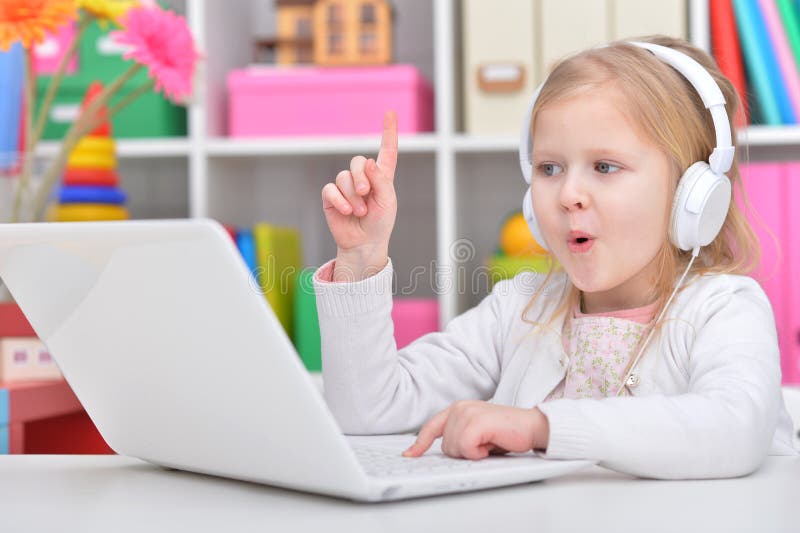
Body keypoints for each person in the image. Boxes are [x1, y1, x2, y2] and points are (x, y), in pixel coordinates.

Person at [313, 35, 797, 479]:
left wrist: (541, 428)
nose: (568, 194)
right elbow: (367, 412)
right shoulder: (519, 308)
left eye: (605, 166)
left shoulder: (724, 308)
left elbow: (734, 427)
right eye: (549, 168)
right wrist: (361, 258)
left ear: (693, 193)